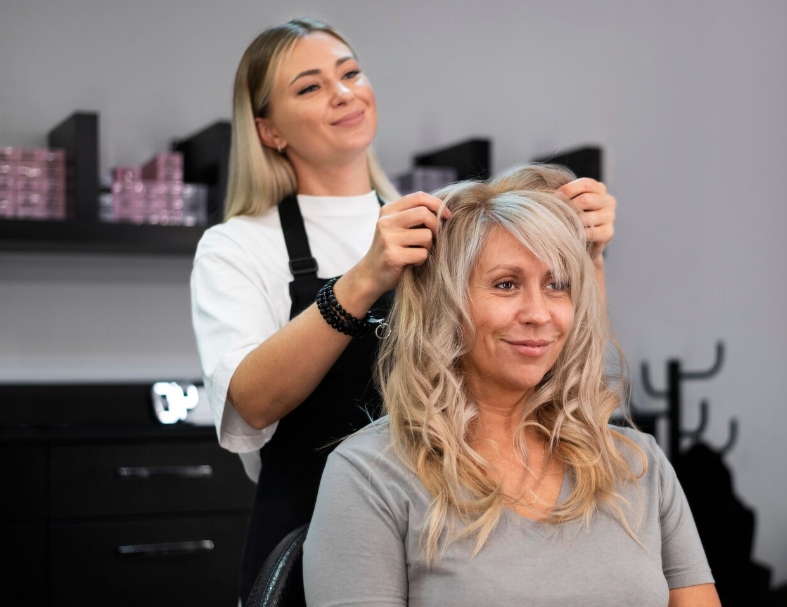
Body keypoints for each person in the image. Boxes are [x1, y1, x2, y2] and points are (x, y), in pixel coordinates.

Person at [190, 18, 619, 602]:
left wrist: (584, 256)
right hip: (310, 535)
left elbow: (559, 363)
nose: (343, 93)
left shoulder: (446, 221)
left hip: (449, 535)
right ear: (268, 130)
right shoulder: (237, 245)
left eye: (350, 73)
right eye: (310, 87)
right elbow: (251, 404)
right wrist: (364, 278)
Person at [302, 164, 721, 607]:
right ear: (446, 305)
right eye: (506, 285)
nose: (539, 313)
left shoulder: (638, 465)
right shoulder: (371, 476)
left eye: (556, 285)